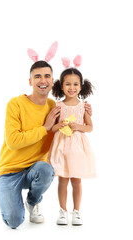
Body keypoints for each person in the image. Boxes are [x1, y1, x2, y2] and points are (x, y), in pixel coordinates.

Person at [0, 60, 92, 229]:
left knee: (48, 170)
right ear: (30, 81)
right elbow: (13, 142)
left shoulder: (54, 107)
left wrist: (85, 112)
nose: (43, 80)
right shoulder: (15, 104)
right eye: (37, 76)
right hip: (9, 171)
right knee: (14, 221)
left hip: (36, 170)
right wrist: (45, 127)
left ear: (53, 81)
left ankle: (32, 202)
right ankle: (10, 194)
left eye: (47, 76)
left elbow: (75, 120)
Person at [47, 67, 96, 226]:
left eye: (75, 84)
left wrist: (77, 126)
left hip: (77, 149)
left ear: (81, 86)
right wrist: (59, 125)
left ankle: (77, 211)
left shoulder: (84, 107)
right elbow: (51, 128)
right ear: (61, 86)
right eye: (68, 84)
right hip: (62, 147)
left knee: (76, 180)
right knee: (62, 179)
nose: (72, 88)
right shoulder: (58, 106)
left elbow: (89, 127)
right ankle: (62, 211)